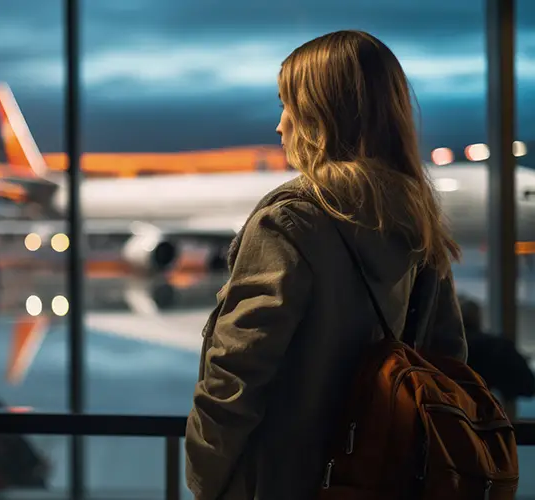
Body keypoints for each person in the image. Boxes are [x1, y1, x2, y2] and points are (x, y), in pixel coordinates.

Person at [185, 31, 467, 500]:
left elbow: (234, 376)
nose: (279, 126)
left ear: (321, 115)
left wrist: (205, 480)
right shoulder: (416, 220)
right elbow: (447, 358)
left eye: (287, 105)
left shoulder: (290, 220)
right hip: (383, 478)